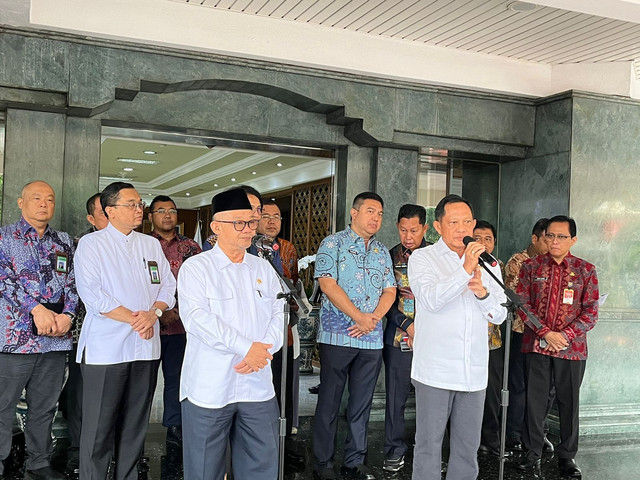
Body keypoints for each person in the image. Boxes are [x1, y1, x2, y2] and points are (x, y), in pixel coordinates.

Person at [178, 188, 284, 480]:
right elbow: (197, 319)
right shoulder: (197, 268)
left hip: (257, 383)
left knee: (261, 466)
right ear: (216, 227)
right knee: (204, 469)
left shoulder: (262, 268)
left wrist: (264, 350)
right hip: (211, 385)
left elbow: (278, 314)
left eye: (251, 222)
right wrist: (247, 348)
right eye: (239, 223)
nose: (248, 229)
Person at [74, 182, 176, 480]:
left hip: (145, 347)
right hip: (107, 349)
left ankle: (128, 475)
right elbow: (94, 296)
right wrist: (138, 319)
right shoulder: (91, 245)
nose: (138, 209)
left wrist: (154, 312)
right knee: (99, 426)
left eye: (139, 203)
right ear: (110, 210)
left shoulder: (150, 244)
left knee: (135, 423)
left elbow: (168, 285)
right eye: (131, 204)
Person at [408, 194, 507, 480]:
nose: (461, 227)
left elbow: (499, 314)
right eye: (453, 222)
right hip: (435, 370)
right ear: (438, 226)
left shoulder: (489, 264)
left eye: (466, 221)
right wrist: (464, 270)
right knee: (429, 446)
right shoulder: (422, 258)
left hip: (473, 370)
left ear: (474, 223)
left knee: (467, 448)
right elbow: (431, 300)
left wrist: (483, 293)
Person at [313, 192, 396, 480]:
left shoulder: (382, 251)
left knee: (362, 404)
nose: (376, 218)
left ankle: (354, 460)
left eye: (380, 213)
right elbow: (327, 284)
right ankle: (323, 463)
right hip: (337, 337)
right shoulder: (332, 243)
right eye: (371, 211)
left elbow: (390, 290)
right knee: (329, 403)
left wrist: (372, 319)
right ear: (354, 212)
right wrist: (358, 317)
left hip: (371, 339)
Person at [0, 181, 78, 480]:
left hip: (55, 341)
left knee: (44, 408)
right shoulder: (5, 237)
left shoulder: (64, 242)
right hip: (14, 341)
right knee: (2, 407)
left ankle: (39, 463)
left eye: (49, 199)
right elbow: (4, 280)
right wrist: (37, 309)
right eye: (36, 198)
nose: (44, 203)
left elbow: (74, 283)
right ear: (21, 202)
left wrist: (69, 314)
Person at [516, 215, 598, 478]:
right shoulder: (530, 267)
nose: (554, 241)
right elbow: (521, 304)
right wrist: (544, 333)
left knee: (568, 403)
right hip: (537, 346)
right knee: (534, 402)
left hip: (571, 350)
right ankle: (532, 452)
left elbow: (591, 311)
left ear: (573, 239)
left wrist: (564, 335)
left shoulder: (586, 270)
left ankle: (567, 457)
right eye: (550, 235)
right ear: (543, 237)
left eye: (561, 236)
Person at [60, 192, 109, 477]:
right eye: (105, 211)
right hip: (83, 332)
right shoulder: (80, 244)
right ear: (92, 218)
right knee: (81, 396)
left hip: (122, 337)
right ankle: (78, 450)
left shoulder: (133, 246)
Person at [147, 195, 201, 446]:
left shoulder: (191, 247)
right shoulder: (142, 245)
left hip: (180, 326)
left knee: (176, 378)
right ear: (150, 217)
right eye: (161, 210)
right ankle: (134, 428)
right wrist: (158, 312)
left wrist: (176, 310)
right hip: (145, 325)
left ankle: (174, 425)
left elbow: (199, 285)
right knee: (143, 381)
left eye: (172, 210)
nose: (167, 215)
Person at [257, 199, 304, 469]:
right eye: (266, 216)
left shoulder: (287, 248)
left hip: (283, 331)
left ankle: (283, 444)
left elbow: (294, 284)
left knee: (283, 388)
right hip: (255, 333)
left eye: (277, 217)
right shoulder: (249, 247)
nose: (272, 221)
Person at [382, 204, 430, 473]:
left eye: (413, 230)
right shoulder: (388, 256)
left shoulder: (438, 254)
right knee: (395, 398)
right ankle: (394, 450)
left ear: (425, 227)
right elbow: (385, 300)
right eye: (403, 230)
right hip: (399, 337)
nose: (408, 236)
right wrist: (407, 325)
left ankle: (430, 451)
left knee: (432, 399)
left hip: (433, 340)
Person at [503, 217, 552, 452]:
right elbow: (517, 299)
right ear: (534, 238)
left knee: (545, 388)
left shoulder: (556, 263)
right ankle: (514, 432)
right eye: (547, 238)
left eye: (556, 238)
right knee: (520, 385)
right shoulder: (518, 262)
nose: (551, 243)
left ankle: (536, 433)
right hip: (523, 333)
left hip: (549, 337)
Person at [473, 220, 507, 457]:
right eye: (478, 238)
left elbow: (502, 302)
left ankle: (491, 440)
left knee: (492, 392)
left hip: (491, 342)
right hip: (465, 341)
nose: (483, 243)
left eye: (488, 239)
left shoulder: (496, 266)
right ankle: (467, 442)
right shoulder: (459, 262)